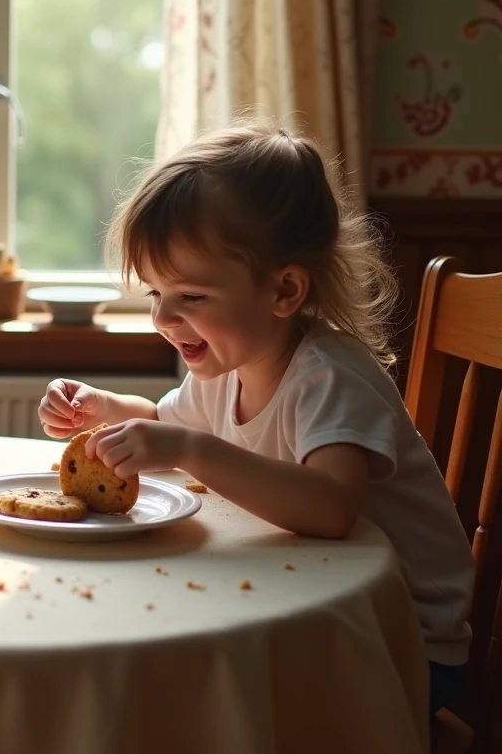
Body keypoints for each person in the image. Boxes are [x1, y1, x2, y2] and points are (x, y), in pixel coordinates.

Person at [38, 122, 473, 719]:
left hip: (399, 640)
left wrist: (191, 450)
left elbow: (330, 508)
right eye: (154, 294)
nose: (164, 317)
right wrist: (104, 409)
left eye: (190, 297)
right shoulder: (225, 365)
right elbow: (167, 425)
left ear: (284, 290)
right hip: (306, 598)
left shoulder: (328, 376)